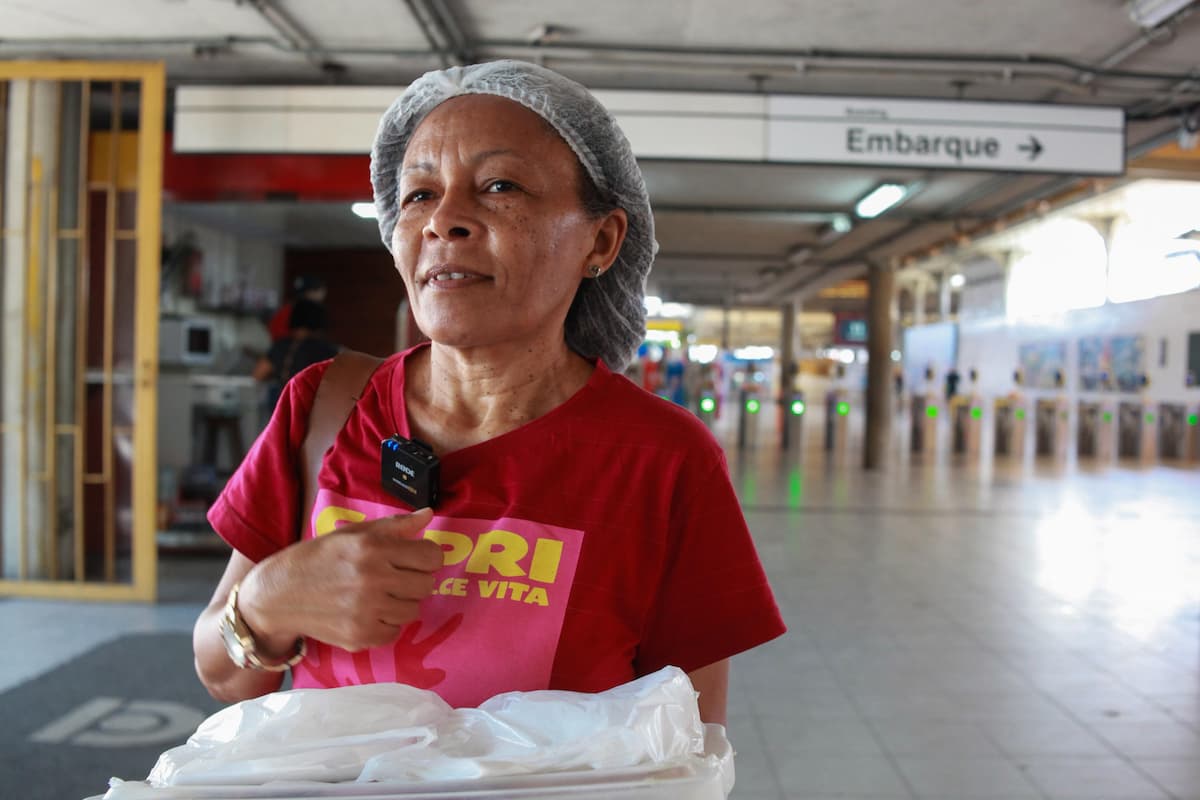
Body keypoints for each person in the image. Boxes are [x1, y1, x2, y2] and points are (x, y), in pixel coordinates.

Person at [194, 60, 786, 726]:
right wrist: (267, 602)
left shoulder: (663, 461)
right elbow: (222, 675)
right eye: (419, 194)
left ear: (600, 240)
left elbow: (689, 746)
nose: (443, 221)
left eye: (500, 186)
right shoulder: (325, 408)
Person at [253, 298, 340, 413]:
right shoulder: (327, 350)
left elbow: (258, 375)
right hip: (311, 412)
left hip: (280, 409)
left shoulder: (281, 346)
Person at [267, 274, 327, 342]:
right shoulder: (291, 310)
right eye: (319, 291)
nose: (322, 294)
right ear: (310, 292)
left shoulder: (290, 308)